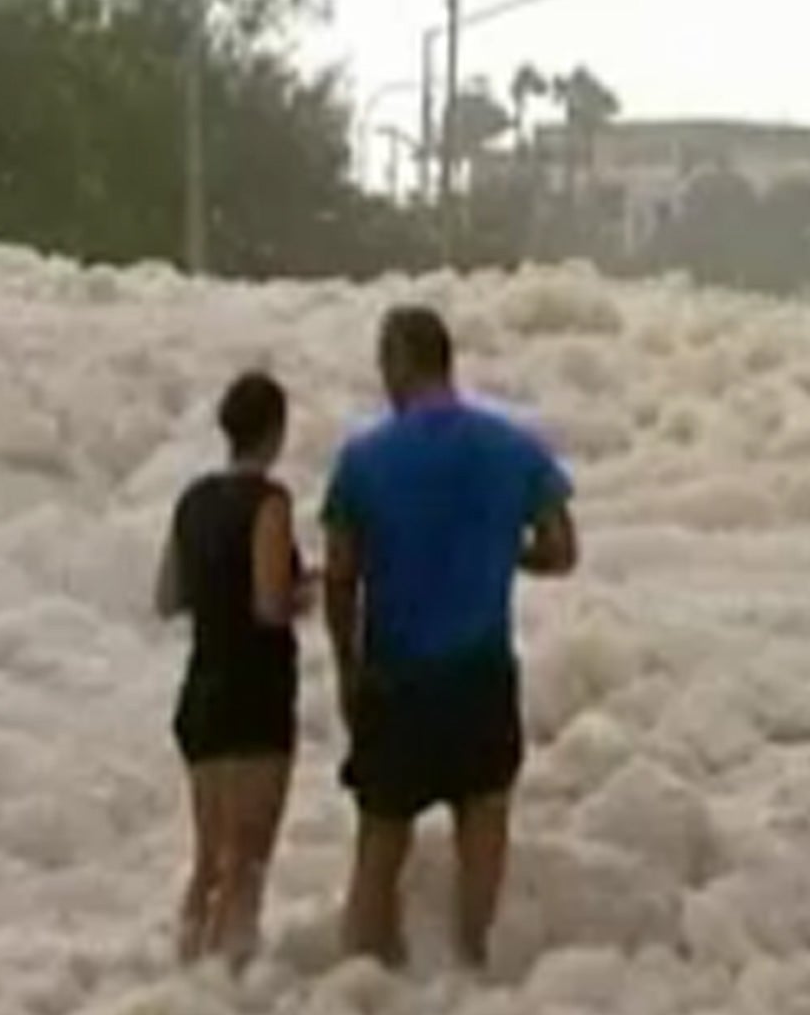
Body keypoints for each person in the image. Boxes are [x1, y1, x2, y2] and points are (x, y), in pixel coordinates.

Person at [321, 304, 578, 971]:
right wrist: (500, 553)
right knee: (483, 833)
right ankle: (475, 977)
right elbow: (561, 550)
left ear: (397, 363)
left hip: (397, 678)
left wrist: (346, 671)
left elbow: (340, 580)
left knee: (380, 845)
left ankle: (361, 997)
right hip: (482, 675)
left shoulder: (363, 459)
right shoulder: (516, 448)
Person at [156, 369, 306, 970]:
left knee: (209, 860)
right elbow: (270, 603)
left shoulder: (192, 501)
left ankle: (187, 967)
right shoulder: (271, 502)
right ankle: (228, 989)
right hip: (255, 695)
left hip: (201, 691)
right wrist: (312, 590)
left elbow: (167, 597)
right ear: (276, 431)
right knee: (246, 863)